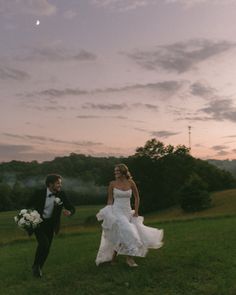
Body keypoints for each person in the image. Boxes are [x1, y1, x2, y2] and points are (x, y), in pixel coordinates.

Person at [95, 164, 163, 267]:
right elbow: (110, 200)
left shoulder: (131, 182)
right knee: (129, 231)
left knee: (122, 235)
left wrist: (136, 211)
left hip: (127, 211)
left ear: (123, 172)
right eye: (115, 171)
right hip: (116, 212)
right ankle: (129, 259)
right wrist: (108, 212)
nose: (115, 173)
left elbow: (137, 197)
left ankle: (113, 259)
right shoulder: (112, 184)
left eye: (117, 171)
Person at [28, 174, 75, 277]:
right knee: (44, 244)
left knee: (47, 248)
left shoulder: (61, 195)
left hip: (51, 225)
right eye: (58, 183)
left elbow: (71, 207)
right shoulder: (39, 193)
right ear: (50, 184)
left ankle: (38, 267)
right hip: (38, 223)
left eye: (60, 183)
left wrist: (69, 212)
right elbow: (28, 205)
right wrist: (29, 216)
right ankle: (36, 267)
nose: (60, 185)